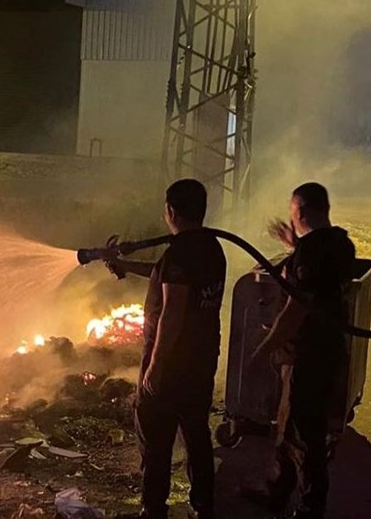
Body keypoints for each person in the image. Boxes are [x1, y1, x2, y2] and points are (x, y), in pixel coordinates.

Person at [105, 179, 226, 519]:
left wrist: (155, 369)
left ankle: (153, 509)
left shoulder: (179, 253)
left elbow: (172, 313)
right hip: (202, 361)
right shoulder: (211, 248)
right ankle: (204, 507)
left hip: (172, 366)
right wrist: (128, 267)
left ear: (171, 211)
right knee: (196, 436)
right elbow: (169, 277)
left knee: (156, 441)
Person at [246, 182, 357, 519]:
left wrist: (264, 350)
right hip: (328, 349)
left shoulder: (309, 255)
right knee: (290, 426)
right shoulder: (341, 243)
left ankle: (310, 508)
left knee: (304, 435)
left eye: (293, 210)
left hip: (307, 355)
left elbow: (296, 311)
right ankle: (277, 493)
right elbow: (320, 270)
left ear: (301, 212)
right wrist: (294, 245)